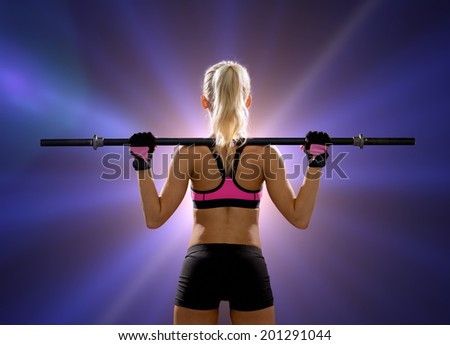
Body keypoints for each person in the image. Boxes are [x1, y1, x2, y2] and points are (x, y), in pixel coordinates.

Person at [129, 61, 330, 325]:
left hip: (201, 265)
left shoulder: (188, 153)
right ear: (247, 101)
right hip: (247, 266)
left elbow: (155, 218)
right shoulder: (266, 154)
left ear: (204, 101)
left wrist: (143, 165)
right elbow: (299, 217)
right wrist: (314, 166)